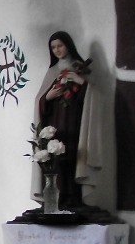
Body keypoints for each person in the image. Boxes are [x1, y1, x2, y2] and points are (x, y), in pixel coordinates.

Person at [31, 30, 102, 209]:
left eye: (60, 45)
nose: (57, 50)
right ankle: (58, 198)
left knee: (74, 157)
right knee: (57, 159)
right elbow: (39, 100)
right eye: (53, 47)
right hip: (55, 124)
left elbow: (94, 96)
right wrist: (48, 96)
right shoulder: (52, 71)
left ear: (68, 45)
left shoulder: (80, 67)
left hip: (75, 122)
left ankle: (74, 198)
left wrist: (80, 81)